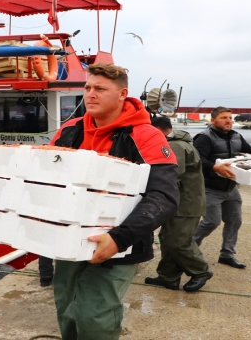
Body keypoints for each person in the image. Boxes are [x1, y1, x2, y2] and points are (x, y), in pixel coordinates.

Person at [50, 63, 179, 340]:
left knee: (96, 314)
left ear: (122, 94)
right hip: (68, 239)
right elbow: (47, 179)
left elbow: (164, 197)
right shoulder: (69, 131)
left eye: (100, 89)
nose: (90, 94)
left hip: (120, 243)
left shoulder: (147, 136)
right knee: (66, 304)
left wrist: (119, 239)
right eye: (87, 88)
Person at [145, 116, 213, 292]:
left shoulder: (175, 146)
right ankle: (168, 277)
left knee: (179, 242)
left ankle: (201, 271)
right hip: (179, 202)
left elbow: (171, 175)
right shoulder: (179, 144)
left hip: (186, 203)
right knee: (168, 239)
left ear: (157, 130)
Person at [192, 106, 251, 269]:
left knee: (235, 220)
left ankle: (227, 254)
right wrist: (215, 167)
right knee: (211, 222)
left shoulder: (237, 136)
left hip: (231, 188)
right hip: (210, 188)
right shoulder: (204, 138)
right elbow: (197, 160)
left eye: (230, 117)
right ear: (213, 120)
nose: (228, 120)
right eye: (223, 118)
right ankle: (188, 249)